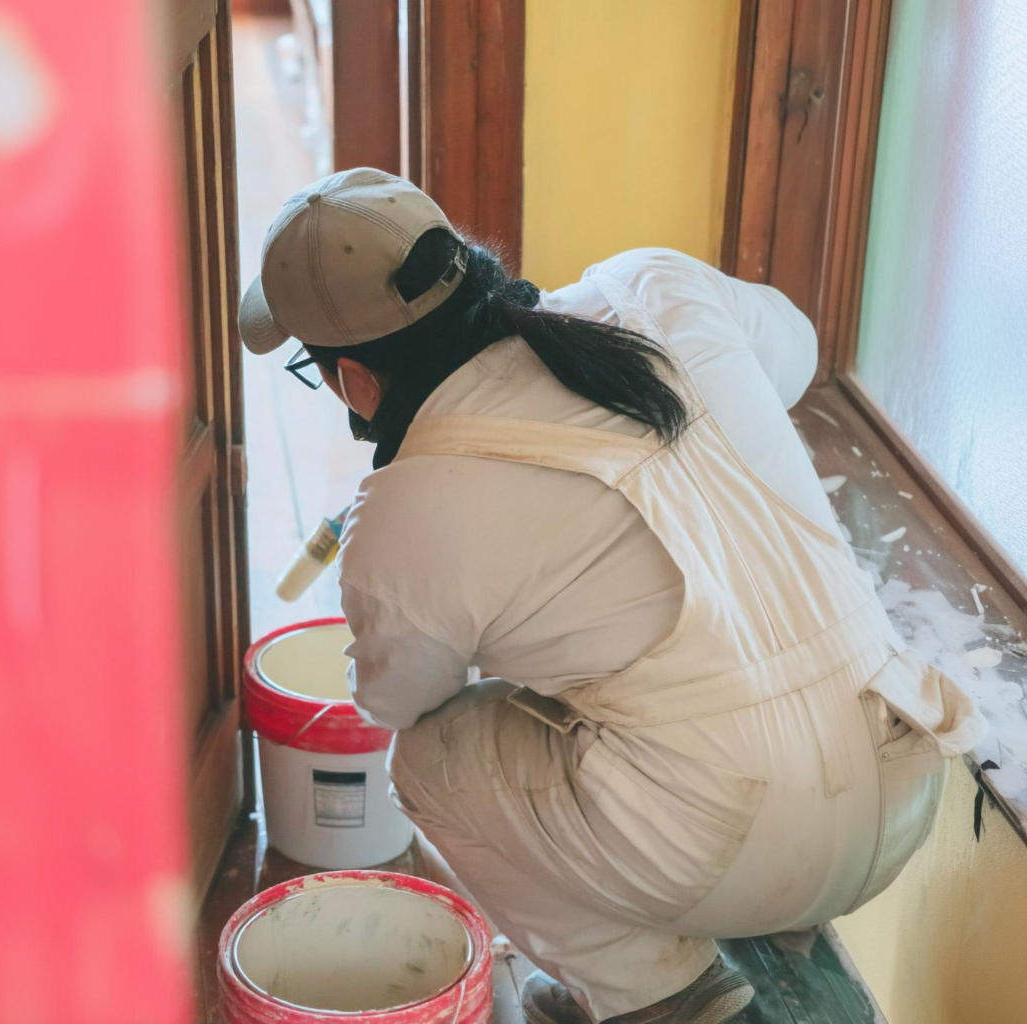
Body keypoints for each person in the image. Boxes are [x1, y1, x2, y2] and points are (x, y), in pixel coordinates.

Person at [239, 168, 985, 1024]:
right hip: (903, 772)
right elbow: (799, 354)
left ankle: (659, 994)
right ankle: (759, 921)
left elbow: (396, 701)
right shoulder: (651, 285)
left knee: (429, 760)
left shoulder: (405, 512)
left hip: (730, 846)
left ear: (356, 382)